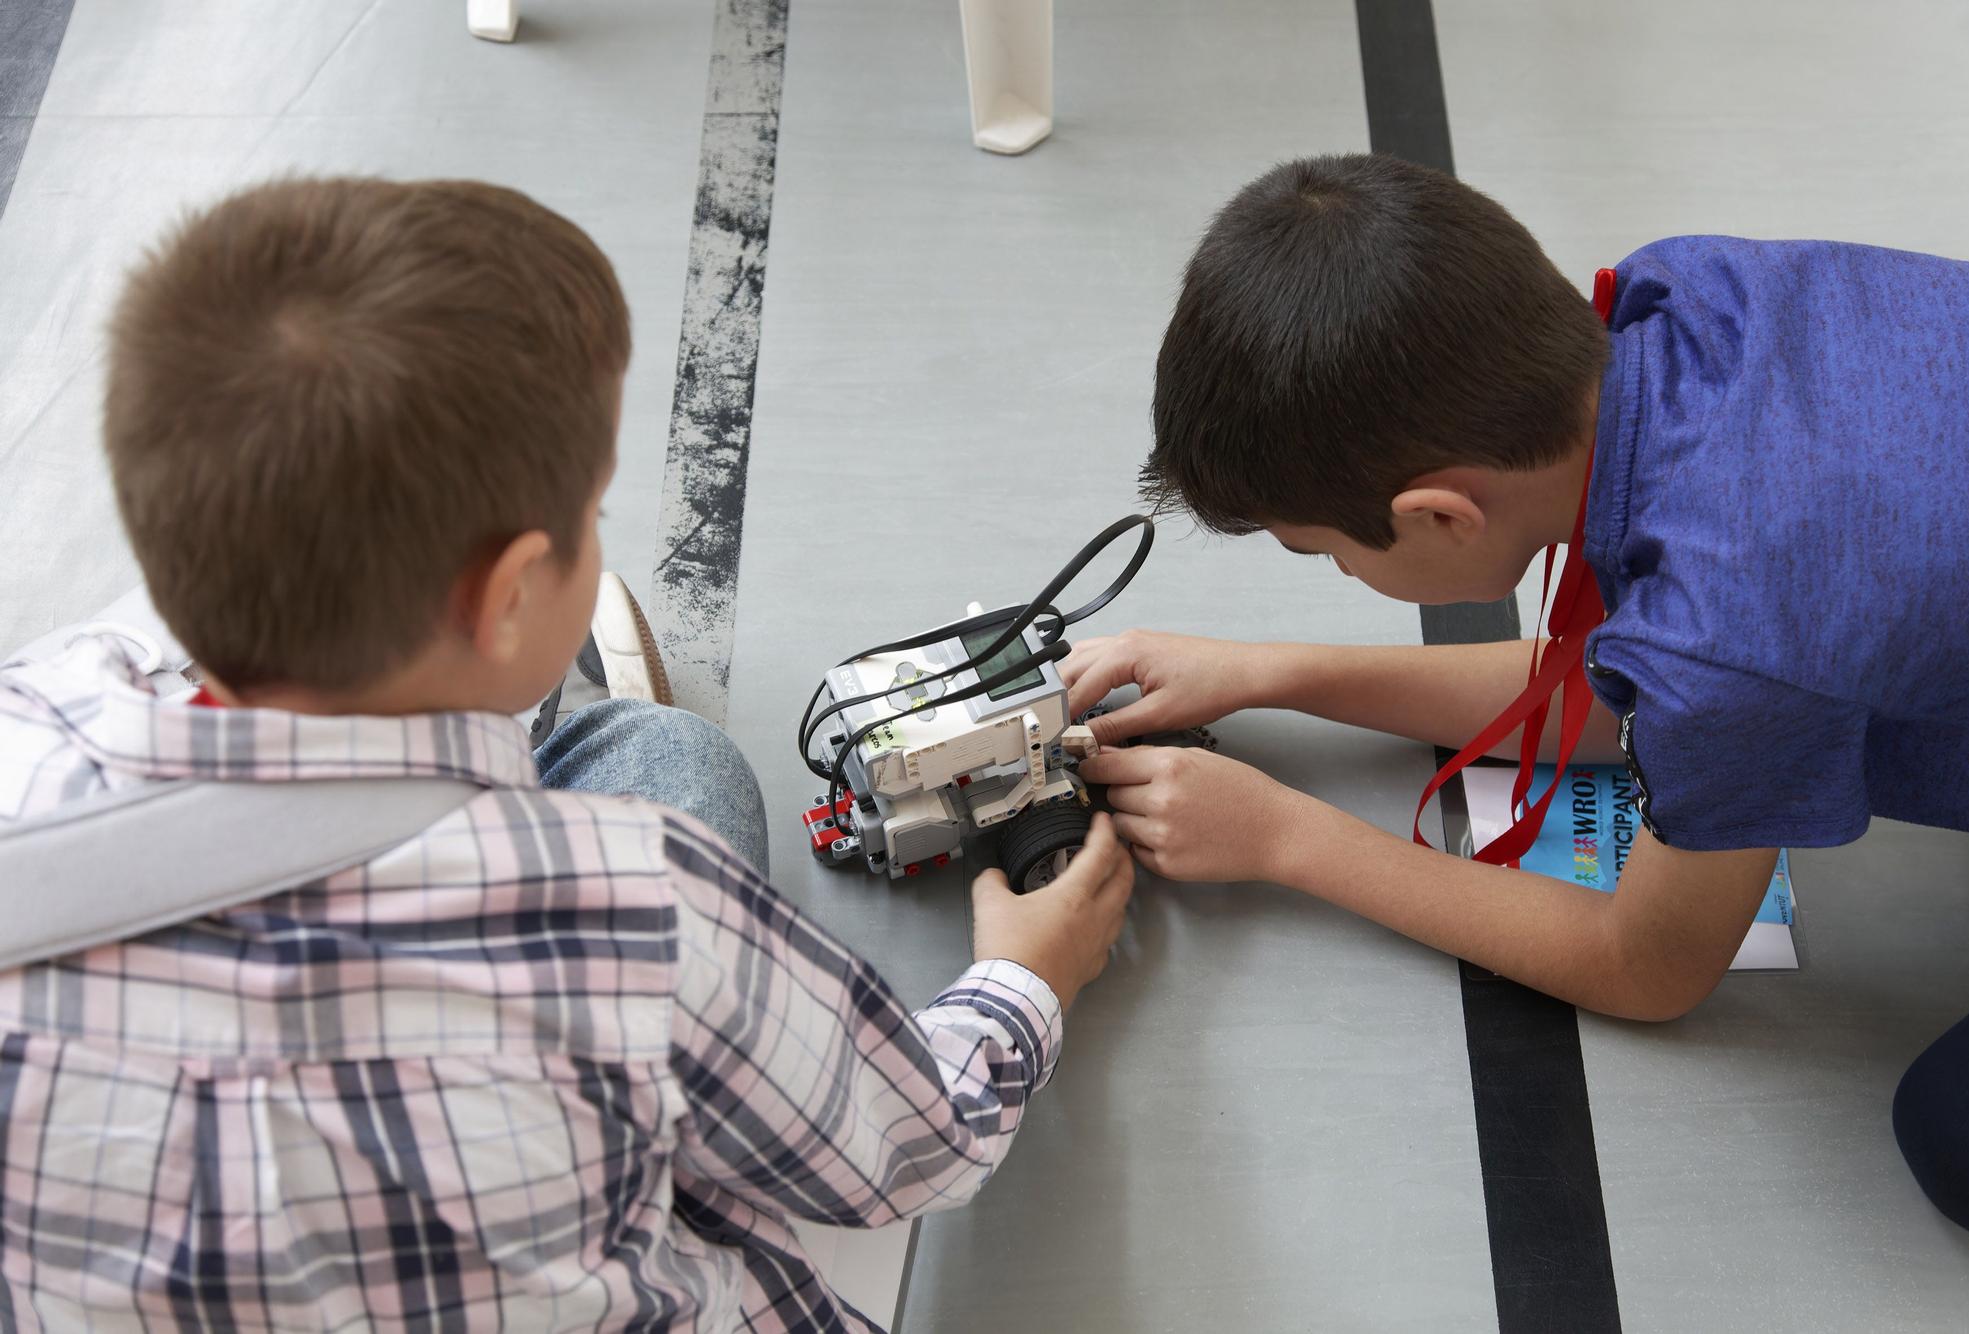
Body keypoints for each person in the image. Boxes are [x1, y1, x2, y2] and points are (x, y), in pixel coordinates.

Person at [0, 176, 1133, 1330]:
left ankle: (476, 715)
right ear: (501, 596)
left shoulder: (33, 716)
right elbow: (908, 1148)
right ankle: (507, 723)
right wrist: (1026, 976)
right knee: (673, 759)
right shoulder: (631, 911)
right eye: (587, 521)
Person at [1066, 153, 1969, 1244]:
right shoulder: (1679, 299)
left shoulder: (1733, 636)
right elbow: (1636, 678)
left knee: (1959, 1137)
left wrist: (1283, 836)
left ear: (1439, 516)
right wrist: (1277, 671)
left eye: (1323, 555)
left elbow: (1645, 965)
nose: (1335, 574)